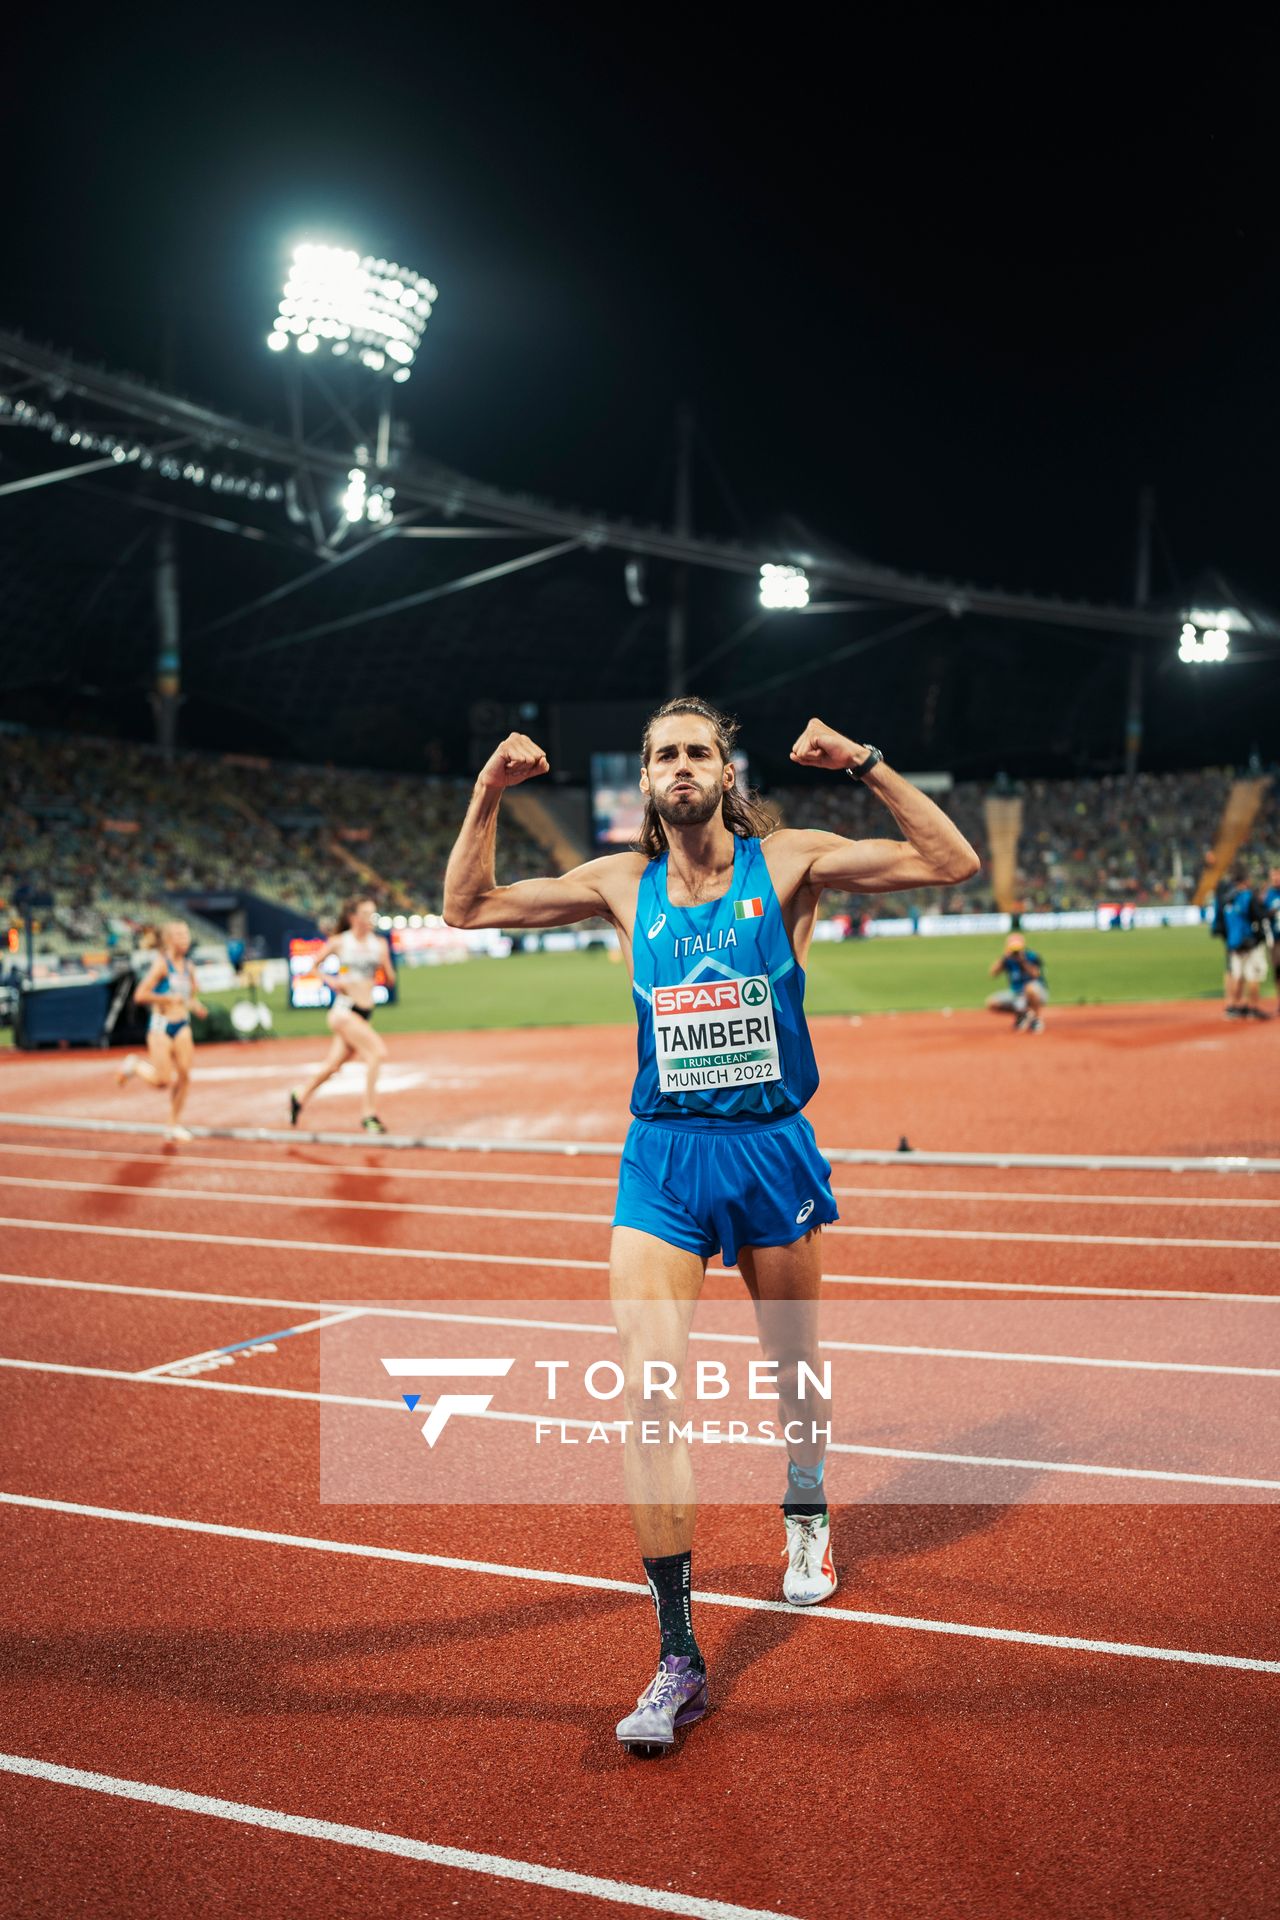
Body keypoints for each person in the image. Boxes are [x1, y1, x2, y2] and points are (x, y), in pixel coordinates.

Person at [443, 698, 980, 1754]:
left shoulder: (788, 864)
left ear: (724, 773)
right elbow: (465, 909)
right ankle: (678, 1654)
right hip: (663, 1162)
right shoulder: (617, 883)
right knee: (647, 1389)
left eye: (696, 753)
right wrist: (485, 794)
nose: (680, 768)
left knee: (793, 1372)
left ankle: (806, 1508)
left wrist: (860, 759)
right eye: (663, 756)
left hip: (767, 1149)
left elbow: (951, 861)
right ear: (643, 781)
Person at [288, 897, 397, 1134]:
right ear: (353, 917)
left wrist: (384, 966)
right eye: (367, 913)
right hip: (344, 1010)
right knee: (376, 1053)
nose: (371, 919)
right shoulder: (340, 942)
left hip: (364, 1012)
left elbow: (390, 981)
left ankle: (300, 1095)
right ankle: (369, 1114)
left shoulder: (379, 944)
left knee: (334, 1065)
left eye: (373, 914)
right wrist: (331, 981)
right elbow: (313, 966)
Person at [115, 919, 207, 1141]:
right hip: (161, 1027)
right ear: (169, 940)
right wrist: (166, 998)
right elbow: (139, 995)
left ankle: (173, 1124)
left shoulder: (189, 967)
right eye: (180, 935)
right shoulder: (162, 964)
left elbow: (189, 997)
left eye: (186, 934)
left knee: (184, 1075)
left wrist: (195, 1006)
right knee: (163, 1080)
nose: (185, 939)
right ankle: (135, 1066)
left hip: (182, 1025)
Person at [1219, 872, 1269, 1021]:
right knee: (1253, 975)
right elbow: (1259, 916)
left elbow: (1222, 923)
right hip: (1249, 943)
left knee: (1237, 975)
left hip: (1233, 944)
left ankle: (1233, 1007)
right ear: (1245, 881)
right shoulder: (1248, 897)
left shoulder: (1227, 899)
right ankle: (1253, 1008)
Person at [986, 932, 1048, 1032]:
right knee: (992, 1002)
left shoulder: (1032, 956)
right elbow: (992, 973)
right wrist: (1003, 958)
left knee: (1030, 988)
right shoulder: (1007, 959)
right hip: (1016, 993)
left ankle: (1036, 1020)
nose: (1016, 952)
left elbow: (1036, 974)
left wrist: (1023, 961)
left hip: (1037, 994)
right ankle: (1023, 1014)